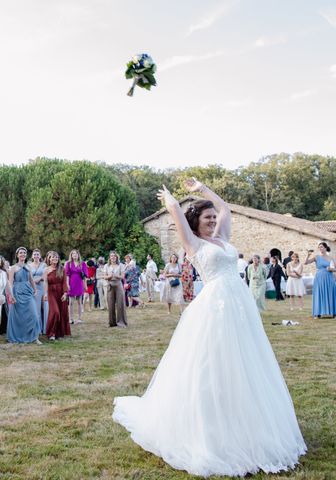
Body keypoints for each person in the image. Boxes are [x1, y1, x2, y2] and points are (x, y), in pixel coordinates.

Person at [113, 178, 306, 477]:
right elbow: (176, 213)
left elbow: (226, 208)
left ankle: (248, 422)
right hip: (215, 305)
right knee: (213, 361)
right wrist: (171, 201)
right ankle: (211, 425)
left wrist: (202, 188)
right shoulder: (194, 244)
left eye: (213, 217)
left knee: (246, 359)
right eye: (208, 217)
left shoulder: (223, 239)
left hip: (239, 305)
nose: (214, 219)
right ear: (197, 222)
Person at [7, 247, 42, 344]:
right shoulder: (12, 268)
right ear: (17, 255)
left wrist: (35, 290)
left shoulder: (28, 267)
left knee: (34, 314)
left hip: (28, 292)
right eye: (21, 253)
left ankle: (35, 337)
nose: (22, 254)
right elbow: (10, 282)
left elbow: (31, 279)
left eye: (24, 253)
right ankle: (19, 335)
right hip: (17, 292)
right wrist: (11, 295)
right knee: (18, 316)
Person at [43, 251, 70, 340]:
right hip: (51, 292)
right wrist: (45, 293)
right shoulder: (46, 270)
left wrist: (65, 293)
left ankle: (58, 332)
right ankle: (51, 333)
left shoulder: (62, 269)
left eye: (56, 257)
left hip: (61, 292)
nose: (55, 259)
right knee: (55, 312)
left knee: (61, 312)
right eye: (53, 257)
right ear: (49, 259)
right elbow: (45, 283)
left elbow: (64, 282)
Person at [305, 242, 336, 319]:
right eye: (319, 247)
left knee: (330, 293)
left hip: (329, 278)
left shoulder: (330, 258)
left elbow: (335, 269)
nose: (320, 248)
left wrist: (330, 269)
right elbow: (306, 262)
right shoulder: (317, 257)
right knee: (319, 293)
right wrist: (308, 255)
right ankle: (317, 313)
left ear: (325, 248)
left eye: (322, 247)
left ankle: (333, 313)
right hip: (319, 278)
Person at [104, 251, 127, 327]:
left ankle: (121, 322)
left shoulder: (121, 265)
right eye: (111, 256)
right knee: (110, 304)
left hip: (118, 284)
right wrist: (109, 276)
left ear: (117, 257)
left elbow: (123, 276)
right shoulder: (106, 266)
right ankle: (112, 322)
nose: (113, 257)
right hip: (110, 285)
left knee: (120, 303)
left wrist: (117, 275)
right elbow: (105, 277)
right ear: (109, 258)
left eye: (114, 256)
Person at [64, 249, 88, 324]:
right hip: (71, 283)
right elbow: (67, 275)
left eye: (76, 254)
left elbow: (85, 276)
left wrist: (85, 285)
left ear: (78, 255)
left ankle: (79, 318)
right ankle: (71, 318)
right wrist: (67, 284)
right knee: (70, 302)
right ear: (71, 255)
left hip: (79, 283)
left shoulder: (82, 263)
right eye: (73, 254)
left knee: (79, 302)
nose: (75, 255)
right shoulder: (68, 263)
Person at [29, 249, 48, 334]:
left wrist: (39, 278)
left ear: (40, 256)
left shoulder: (44, 265)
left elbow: (45, 275)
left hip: (43, 286)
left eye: (37, 254)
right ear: (32, 256)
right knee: (36, 309)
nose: (36, 256)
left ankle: (46, 328)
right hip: (34, 288)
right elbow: (28, 276)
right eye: (34, 254)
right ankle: (38, 328)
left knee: (45, 307)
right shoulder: (29, 265)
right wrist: (33, 281)